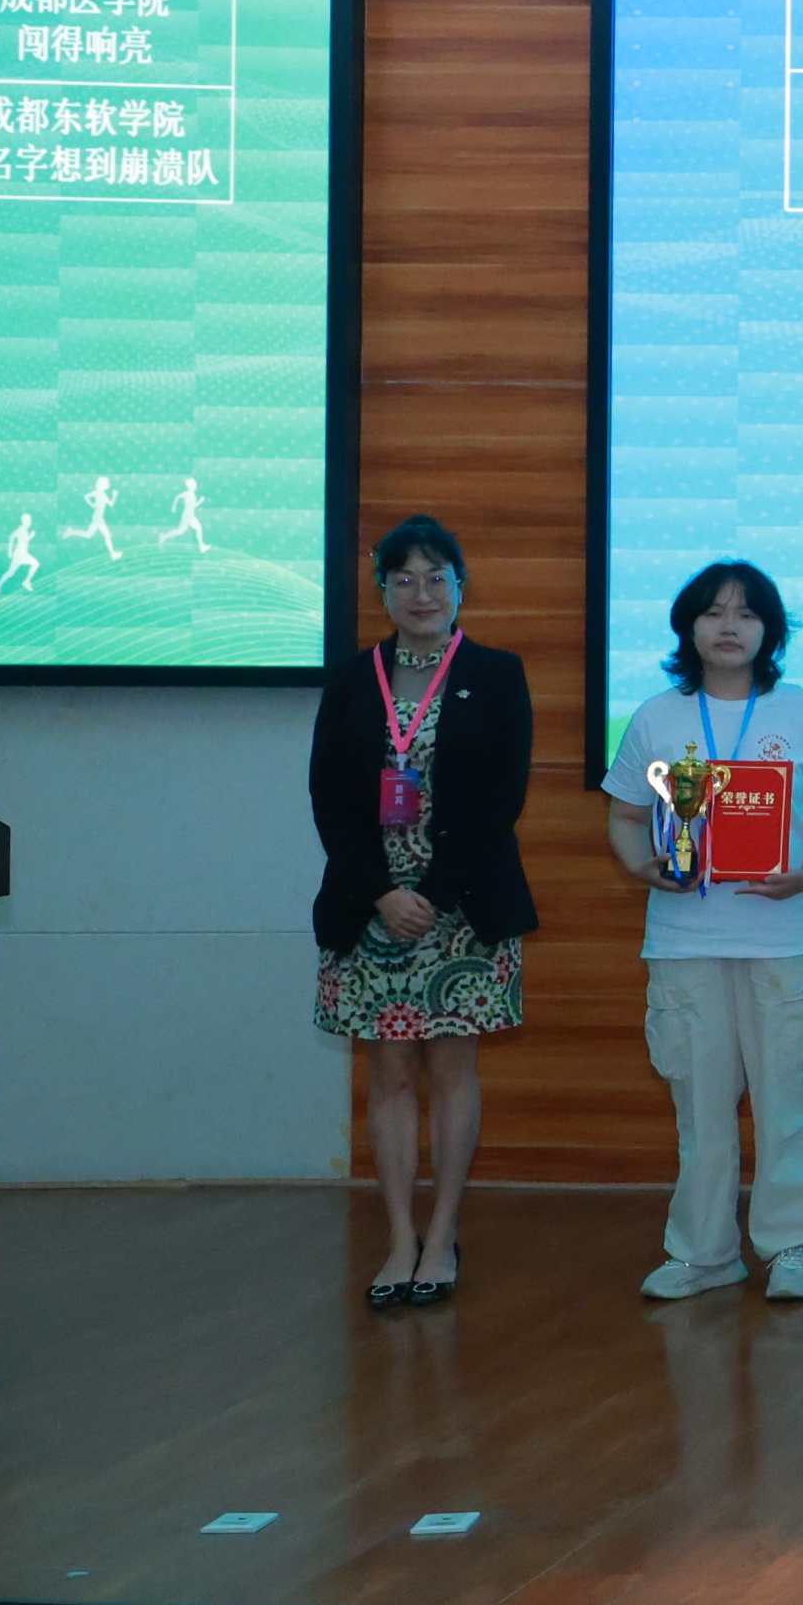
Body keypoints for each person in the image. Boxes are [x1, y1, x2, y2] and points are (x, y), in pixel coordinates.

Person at [603, 559, 803, 1304]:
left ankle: (794, 1245)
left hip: (784, 937)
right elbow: (625, 814)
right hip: (685, 938)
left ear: (769, 631)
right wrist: (643, 866)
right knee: (700, 1106)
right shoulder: (658, 715)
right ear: (689, 626)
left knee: (789, 1101)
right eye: (714, 612)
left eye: (746, 615)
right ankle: (704, 1252)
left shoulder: (802, 712)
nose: (729, 627)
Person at [308, 515, 533, 1310]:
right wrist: (382, 892)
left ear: (461, 587)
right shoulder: (350, 679)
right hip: (370, 906)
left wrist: (431, 895)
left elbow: (502, 798)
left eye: (437, 578)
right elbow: (328, 799)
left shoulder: (497, 673)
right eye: (403, 579)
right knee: (391, 1072)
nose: (422, 593)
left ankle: (442, 1236)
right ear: (382, 591)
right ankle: (400, 1237)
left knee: (450, 1069)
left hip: (460, 907)